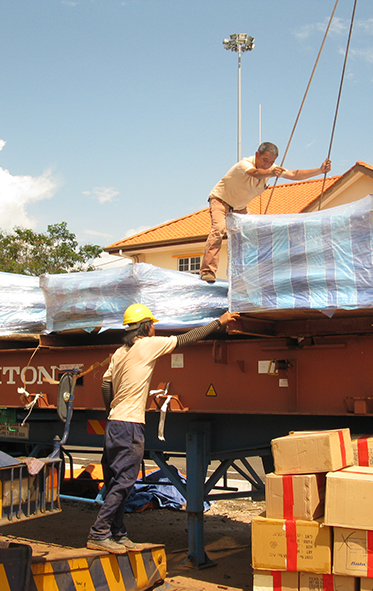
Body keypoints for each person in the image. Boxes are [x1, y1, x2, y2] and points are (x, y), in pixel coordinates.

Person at [87, 303, 239, 554]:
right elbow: (187, 338)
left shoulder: (119, 352)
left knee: (116, 479)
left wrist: (110, 411)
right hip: (130, 425)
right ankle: (99, 532)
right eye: (153, 324)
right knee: (125, 480)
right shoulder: (147, 345)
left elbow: (105, 385)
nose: (155, 328)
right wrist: (219, 322)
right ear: (145, 327)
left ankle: (117, 532)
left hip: (115, 423)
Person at [199, 142, 331, 283]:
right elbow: (255, 173)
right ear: (257, 155)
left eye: (272, 162)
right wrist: (271, 172)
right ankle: (208, 271)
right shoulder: (244, 164)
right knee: (219, 229)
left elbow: (293, 174)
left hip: (239, 207)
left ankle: (242, 274)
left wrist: (320, 170)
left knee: (251, 234)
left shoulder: (271, 169)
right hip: (221, 200)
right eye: (265, 160)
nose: (267, 164)